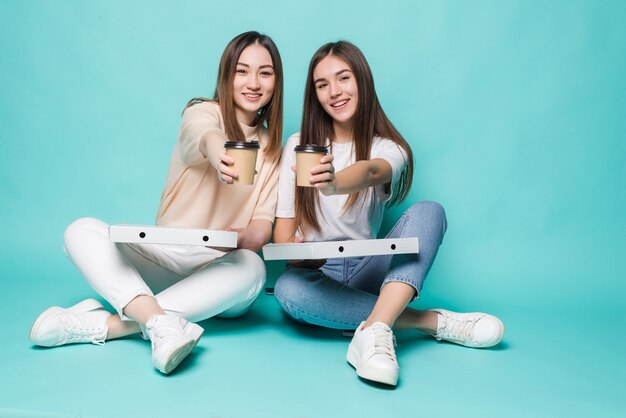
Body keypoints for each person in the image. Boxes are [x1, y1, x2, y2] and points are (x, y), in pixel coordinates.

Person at [29, 31, 284, 375]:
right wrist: (220, 151)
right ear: (227, 75)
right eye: (242, 71)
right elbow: (205, 135)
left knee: (253, 267)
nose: (253, 82)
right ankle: (159, 324)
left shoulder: (272, 150)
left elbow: (261, 225)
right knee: (80, 230)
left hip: (220, 277)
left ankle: (109, 325)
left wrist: (251, 238)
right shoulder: (202, 112)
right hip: (166, 257)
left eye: (265, 73)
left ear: (275, 82)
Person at [272, 41, 504, 387]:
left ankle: (374, 332)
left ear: (362, 81)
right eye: (322, 84)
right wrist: (299, 258)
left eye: (344, 78)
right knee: (288, 290)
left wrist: (334, 183)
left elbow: (370, 172)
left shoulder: (389, 148)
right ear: (314, 94)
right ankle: (428, 321)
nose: (334, 91)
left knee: (430, 211)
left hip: (370, 266)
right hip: (318, 273)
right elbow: (282, 237)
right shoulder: (298, 145)